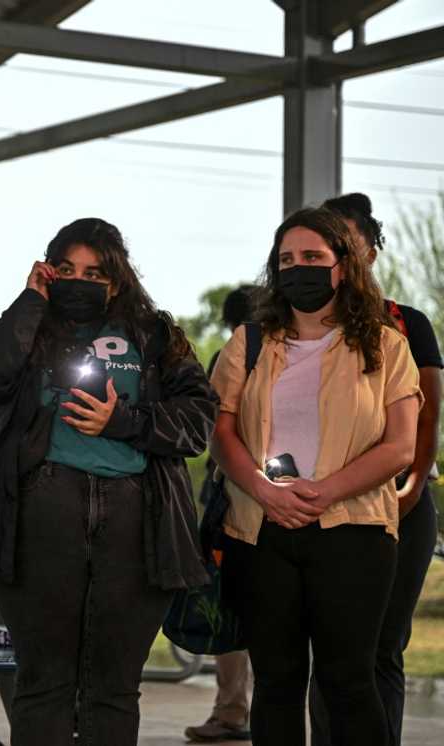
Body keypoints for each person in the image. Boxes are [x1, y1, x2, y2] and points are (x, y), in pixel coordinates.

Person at [0, 217, 218, 746]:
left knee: (114, 688)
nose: (80, 280)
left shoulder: (156, 334)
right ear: (48, 272)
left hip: (136, 527)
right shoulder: (31, 326)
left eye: (94, 272)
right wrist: (29, 301)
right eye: (66, 269)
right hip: (38, 519)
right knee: (43, 684)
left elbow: (198, 420)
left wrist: (124, 422)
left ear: (117, 280)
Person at [210, 207, 421, 746]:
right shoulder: (248, 344)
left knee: (348, 683)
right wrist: (261, 489)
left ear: (343, 267)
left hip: (355, 533)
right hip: (261, 532)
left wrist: (324, 491)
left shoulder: (387, 345)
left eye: (311, 257)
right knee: (277, 683)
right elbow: (221, 432)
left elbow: (401, 446)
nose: (296, 268)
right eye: (285, 260)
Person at [308, 193, 442, 746]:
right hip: (319, 508)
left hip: (399, 505)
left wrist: (409, 488)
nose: (337, 256)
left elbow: (428, 416)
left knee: (382, 647)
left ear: (370, 250)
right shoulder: (295, 328)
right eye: (323, 248)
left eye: (347, 243)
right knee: (328, 647)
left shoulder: (407, 324)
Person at [185, 285, 258, 744]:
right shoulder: (234, 359)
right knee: (233, 608)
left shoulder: (228, 359)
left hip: (235, 504)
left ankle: (232, 711)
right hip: (240, 503)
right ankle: (234, 711)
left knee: (229, 610)